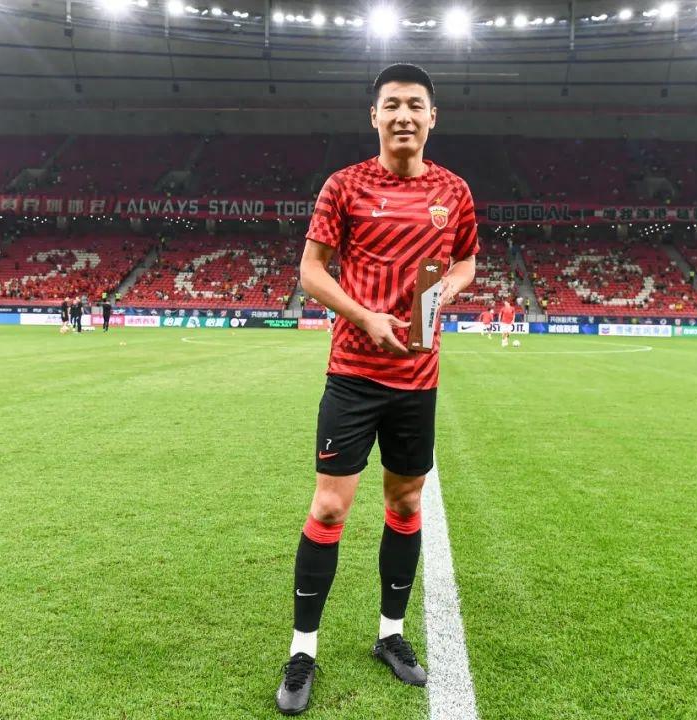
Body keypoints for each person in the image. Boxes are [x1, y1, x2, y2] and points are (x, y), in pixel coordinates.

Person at [275, 63, 479, 716]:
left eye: (415, 105)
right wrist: (364, 316)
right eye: (392, 104)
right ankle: (303, 649)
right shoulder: (345, 186)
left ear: (432, 117)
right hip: (353, 375)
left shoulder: (454, 191)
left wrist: (449, 287)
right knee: (329, 509)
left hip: (418, 377)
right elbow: (311, 271)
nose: (403, 115)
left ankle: (390, 634)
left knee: (406, 500)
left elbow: (467, 259)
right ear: (374, 116)